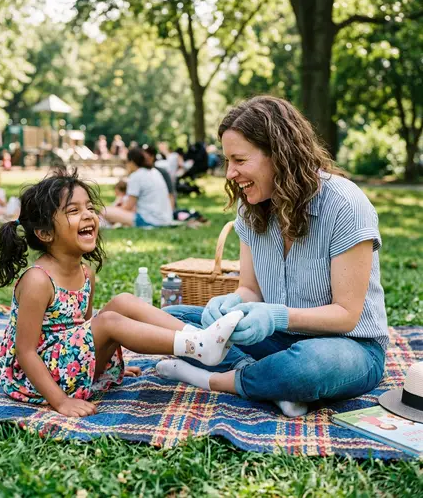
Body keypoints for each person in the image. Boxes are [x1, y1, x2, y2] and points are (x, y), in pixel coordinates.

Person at [156, 95, 388, 417]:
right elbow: (250, 289)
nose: (229, 174)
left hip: (348, 347)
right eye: (227, 161)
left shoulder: (345, 204)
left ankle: (217, 379)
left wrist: (275, 316)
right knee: (172, 319)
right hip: (276, 339)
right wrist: (231, 303)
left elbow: (346, 314)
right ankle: (269, 381)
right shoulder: (250, 207)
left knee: (306, 368)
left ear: (278, 155)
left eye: (239, 160)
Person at [0, 168, 243, 417]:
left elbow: (85, 329)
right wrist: (60, 402)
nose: (88, 215)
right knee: (109, 321)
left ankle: (200, 338)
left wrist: (107, 359)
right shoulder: (38, 280)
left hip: (72, 367)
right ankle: (197, 346)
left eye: (90, 208)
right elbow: (24, 352)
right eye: (73, 210)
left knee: (123, 302)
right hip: (37, 378)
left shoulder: (86, 273)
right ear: (45, 233)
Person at [101, 148, 173, 227]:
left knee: (105, 211)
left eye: (126, 162)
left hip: (151, 221)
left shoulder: (136, 176)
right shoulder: (155, 172)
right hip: (166, 219)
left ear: (131, 162)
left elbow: (128, 206)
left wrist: (115, 210)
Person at [143, 145, 175, 209]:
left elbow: (170, 194)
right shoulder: (141, 173)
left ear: (152, 157)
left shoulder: (162, 172)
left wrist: (170, 212)